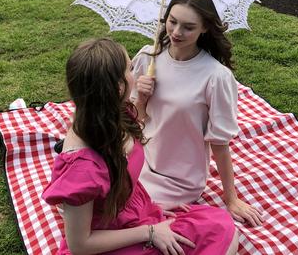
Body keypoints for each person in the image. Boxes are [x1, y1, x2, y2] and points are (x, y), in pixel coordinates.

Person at [42, 38, 239, 255]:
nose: (135, 73)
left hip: (132, 216)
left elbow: (125, 175)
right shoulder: (82, 168)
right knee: (219, 237)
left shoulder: (112, 114)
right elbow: (79, 245)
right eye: (130, 68)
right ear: (118, 87)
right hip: (109, 242)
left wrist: (149, 207)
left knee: (219, 225)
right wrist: (149, 232)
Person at [132, 0, 263, 227]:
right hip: (138, 161)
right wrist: (140, 99)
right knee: (87, 199)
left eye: (188, 27)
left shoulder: (216, 77)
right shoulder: (147, 58)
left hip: (178, 179)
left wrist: (231, 199)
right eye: (172, 22)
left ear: (204, 28)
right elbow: (135, 123)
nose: (176, 32)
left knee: (123, 216)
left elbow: (220, 143)